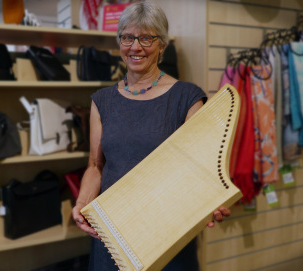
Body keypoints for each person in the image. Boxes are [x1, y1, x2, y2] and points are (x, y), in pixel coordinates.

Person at [71, 2, 231, 270]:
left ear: (162, 45)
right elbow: (95, 166)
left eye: (146, 38)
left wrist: (211, 202)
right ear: (119, 42)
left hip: (165, 234)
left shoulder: (187, 98)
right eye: (127, 37)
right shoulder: (102, 100)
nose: (135, 47)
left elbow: (200, 170)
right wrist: (83, 203)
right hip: (111, 231)